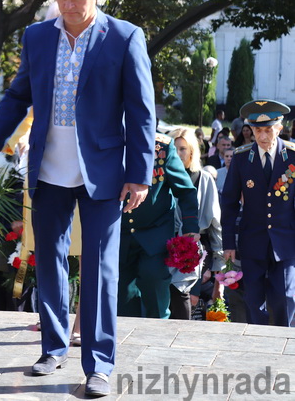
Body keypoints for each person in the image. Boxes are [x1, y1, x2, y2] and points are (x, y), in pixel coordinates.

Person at [0, 0, 155, 397]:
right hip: (46, 168)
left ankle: (99, 365)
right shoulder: (37, 36)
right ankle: (52, 348)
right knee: (48, 260)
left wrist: (139, 173)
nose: (69, 6)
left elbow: (142, 113)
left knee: (101, 268)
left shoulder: (125, 37)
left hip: (103, 171)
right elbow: (15, 98)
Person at [221, 99, 295, 327]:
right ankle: (258, 344)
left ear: (280, 127)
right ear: (251, 130)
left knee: (285, 298)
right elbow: (230, 202)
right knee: (253, 301)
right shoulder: (242, 158)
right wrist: (228, 244)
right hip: (252, 240)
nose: (263, 136)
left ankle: (284, 344)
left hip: (285, 241)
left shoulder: (292, 157)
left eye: (268, 129)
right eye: (257, 130)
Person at [118, 132, 199, 319]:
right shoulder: (108, 139)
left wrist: (190, 228)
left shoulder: (162, 147)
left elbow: (186, 191)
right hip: (120, 233)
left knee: (154, 279)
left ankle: (159, 329)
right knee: (122, 296)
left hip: (154, 232)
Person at [169, 128, 224, 319]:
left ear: (192, 151)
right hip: (165, 243)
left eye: (182, 149)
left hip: (194, 247)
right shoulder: (161, 177)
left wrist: (218, 260)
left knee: (183, 294)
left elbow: (215, 222)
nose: (177, 154)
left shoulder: (204, 179)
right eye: (173, 148)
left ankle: (181, 335)